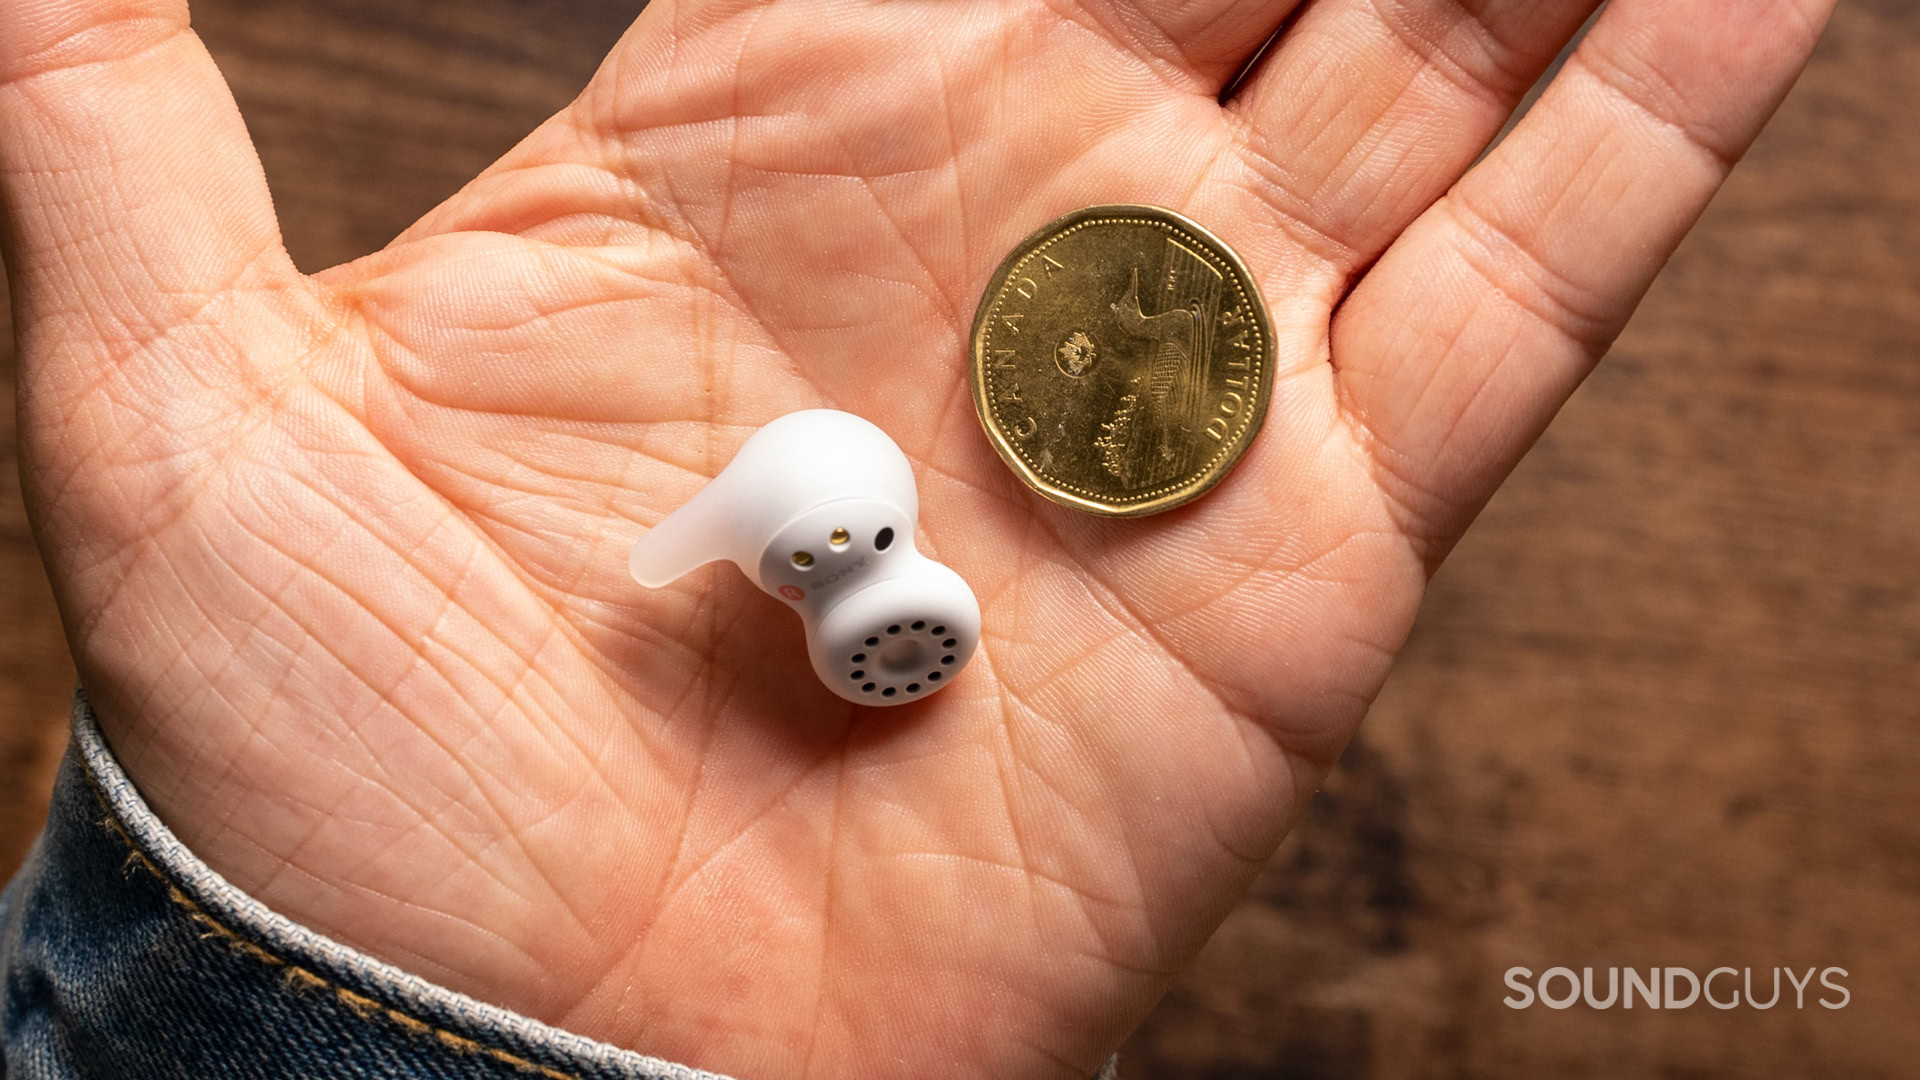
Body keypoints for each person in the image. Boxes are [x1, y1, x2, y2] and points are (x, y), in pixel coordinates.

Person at [0, 0, 1834, 1076]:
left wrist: (292, 1011)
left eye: (842, 552)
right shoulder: (796, 585)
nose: (852, 585)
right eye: (820, 560)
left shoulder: (872, 585)